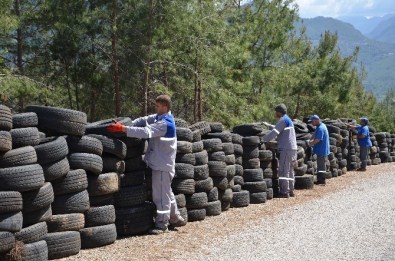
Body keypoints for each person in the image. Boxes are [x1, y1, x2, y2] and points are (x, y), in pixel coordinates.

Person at [107, 94, 186, 235]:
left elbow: (145, 132)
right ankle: (175, 218)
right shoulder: (159, 117)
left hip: (162, 165)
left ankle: (162, 224)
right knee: (166, 192)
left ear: (165, 107)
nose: (155, 108)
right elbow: (144, 120)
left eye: (157, 106)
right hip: (161, 163)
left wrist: (123, 129)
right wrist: (127, 124)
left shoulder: (165, 124)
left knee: (160, 197)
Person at [263, 104, 297, 198]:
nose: (275, 113)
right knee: (290, 170)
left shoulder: (283, 120)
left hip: (286, 148)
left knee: (283, 171)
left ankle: (284, 192)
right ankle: (291, 191)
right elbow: (278, 128)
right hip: (292, 148)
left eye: (276, 111)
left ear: (279, 112)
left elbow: (275, 132)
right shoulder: (287, 119)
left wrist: (263, 140)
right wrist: (269, 126)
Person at [307, 115, 330, 185]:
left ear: (316, 120)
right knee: (320, 165)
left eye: (312, 121)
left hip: (322, 149)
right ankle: (321, 179)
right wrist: (310, 139)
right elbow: (314, 134)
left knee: (321, 166)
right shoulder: (320, 126)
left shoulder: (321, 128)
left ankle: (322, 180)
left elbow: (318, 139)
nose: (311, 123)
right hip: (321, 149)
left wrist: (310, 143)